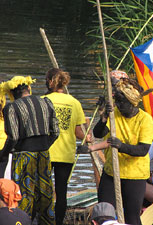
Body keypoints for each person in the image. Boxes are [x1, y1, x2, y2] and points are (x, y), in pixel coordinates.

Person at [93, 76, 153, 225]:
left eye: (122, 102)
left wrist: (120, 146)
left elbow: (142, 150)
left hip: (134, 175)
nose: (119, 105)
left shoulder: (145, 120)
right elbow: (98, 134)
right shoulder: (114, 114)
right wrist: (104, 117)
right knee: (104, 213)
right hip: (111, 172)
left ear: (132, 103)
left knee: (132, 217)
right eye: (117, 101)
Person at [0, 76, 59, 224]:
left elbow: (13, 136)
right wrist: (44, 145)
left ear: (12, 94)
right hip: (44, 154)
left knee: (24, 194)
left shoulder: (12, 107)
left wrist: (3, 153)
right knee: (45, 194)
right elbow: (56, 132)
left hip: (23, 155)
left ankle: (23, 221)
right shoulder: (46, 102)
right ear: (28, 89)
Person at [43, 68, 91, 225]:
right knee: (61, 191)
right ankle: (58, 222)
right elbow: (79, 132)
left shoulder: (43, 100)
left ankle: (43, 219)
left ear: (50, 81)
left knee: (43, 190)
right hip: (65, 154)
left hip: (45, 152)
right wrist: (87, 135)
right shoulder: (74, 102)